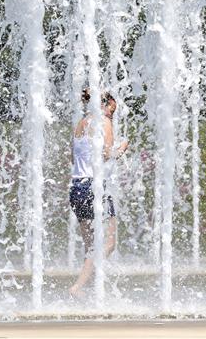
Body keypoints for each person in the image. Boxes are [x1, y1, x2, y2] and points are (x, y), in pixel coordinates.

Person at [68, 89, 128, 299]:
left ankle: (87, 288)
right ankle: (78, 287)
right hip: (95, 187)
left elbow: (73, 160)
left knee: (91, 247)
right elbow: (107, 155)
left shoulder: (80, 125)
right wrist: (122, 147)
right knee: (108, 244)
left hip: (77, 187)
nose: (113, 113)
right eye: (113, 108)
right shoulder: (104, 122)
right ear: (106, 104)